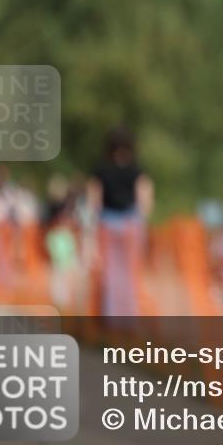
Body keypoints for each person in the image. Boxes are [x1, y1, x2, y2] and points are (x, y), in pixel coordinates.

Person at [87, 127, 154, 320]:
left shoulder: (101, 169)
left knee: (110, 272)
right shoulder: (137, 170)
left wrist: (93, 225)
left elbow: (95, 201)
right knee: (130, 272)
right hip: (131, 222)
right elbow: (145, 200)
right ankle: (130, 316)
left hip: (107, 222)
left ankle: (112, 317)